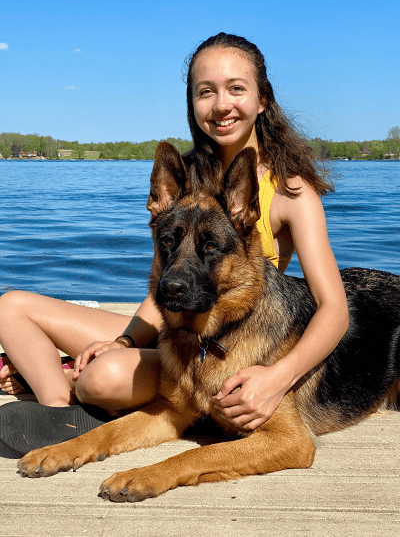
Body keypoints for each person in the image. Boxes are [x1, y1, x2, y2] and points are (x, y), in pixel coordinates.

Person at [0, 33, 349, 453]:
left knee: (104, 376)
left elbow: (334, 309)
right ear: (192, 104)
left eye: (237, 88)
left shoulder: (291, 193)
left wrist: (279, 377)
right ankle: (59, 406)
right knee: (11, 305)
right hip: (173, 329)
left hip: (230, 342)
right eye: (206, 92)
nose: (222, 105)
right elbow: (168, 281)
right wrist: (127, 340)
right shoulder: (182, 178)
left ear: (262, 100)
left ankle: (74, 385)